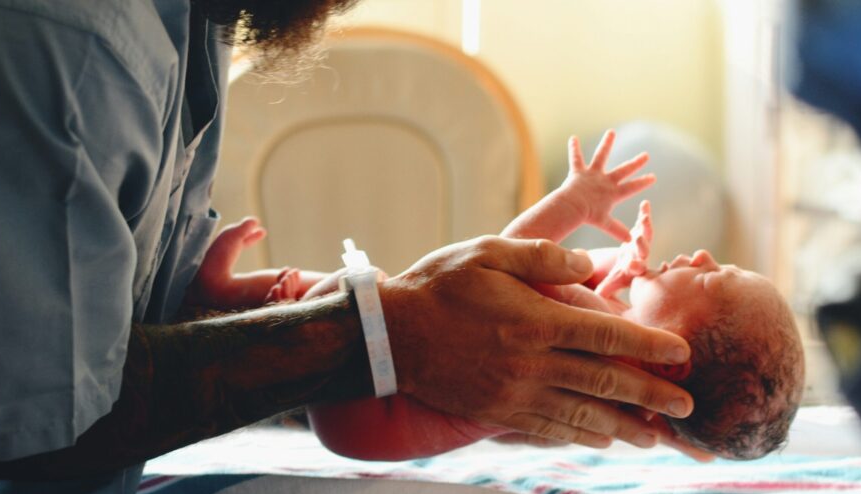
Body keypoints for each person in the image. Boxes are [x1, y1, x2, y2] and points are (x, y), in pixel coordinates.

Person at [0, 2, 697, 494]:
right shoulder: (44, 35)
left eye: (712, 283)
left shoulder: (184, 22)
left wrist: (187, 310)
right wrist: (378, 330)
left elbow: (32, 307)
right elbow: (19, 416)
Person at [286, 134, 803, 461]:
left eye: (714, 279)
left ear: (670, 360)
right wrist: (621, 271)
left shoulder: (598, 335)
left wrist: (575, 202)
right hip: (366, 426)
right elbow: (571, 296)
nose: (706, 257)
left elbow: (504, 266)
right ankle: (230, 292)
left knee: (330, 289)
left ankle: (233, 296)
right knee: (314, 291)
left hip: (371, 403)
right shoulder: (615, 382)